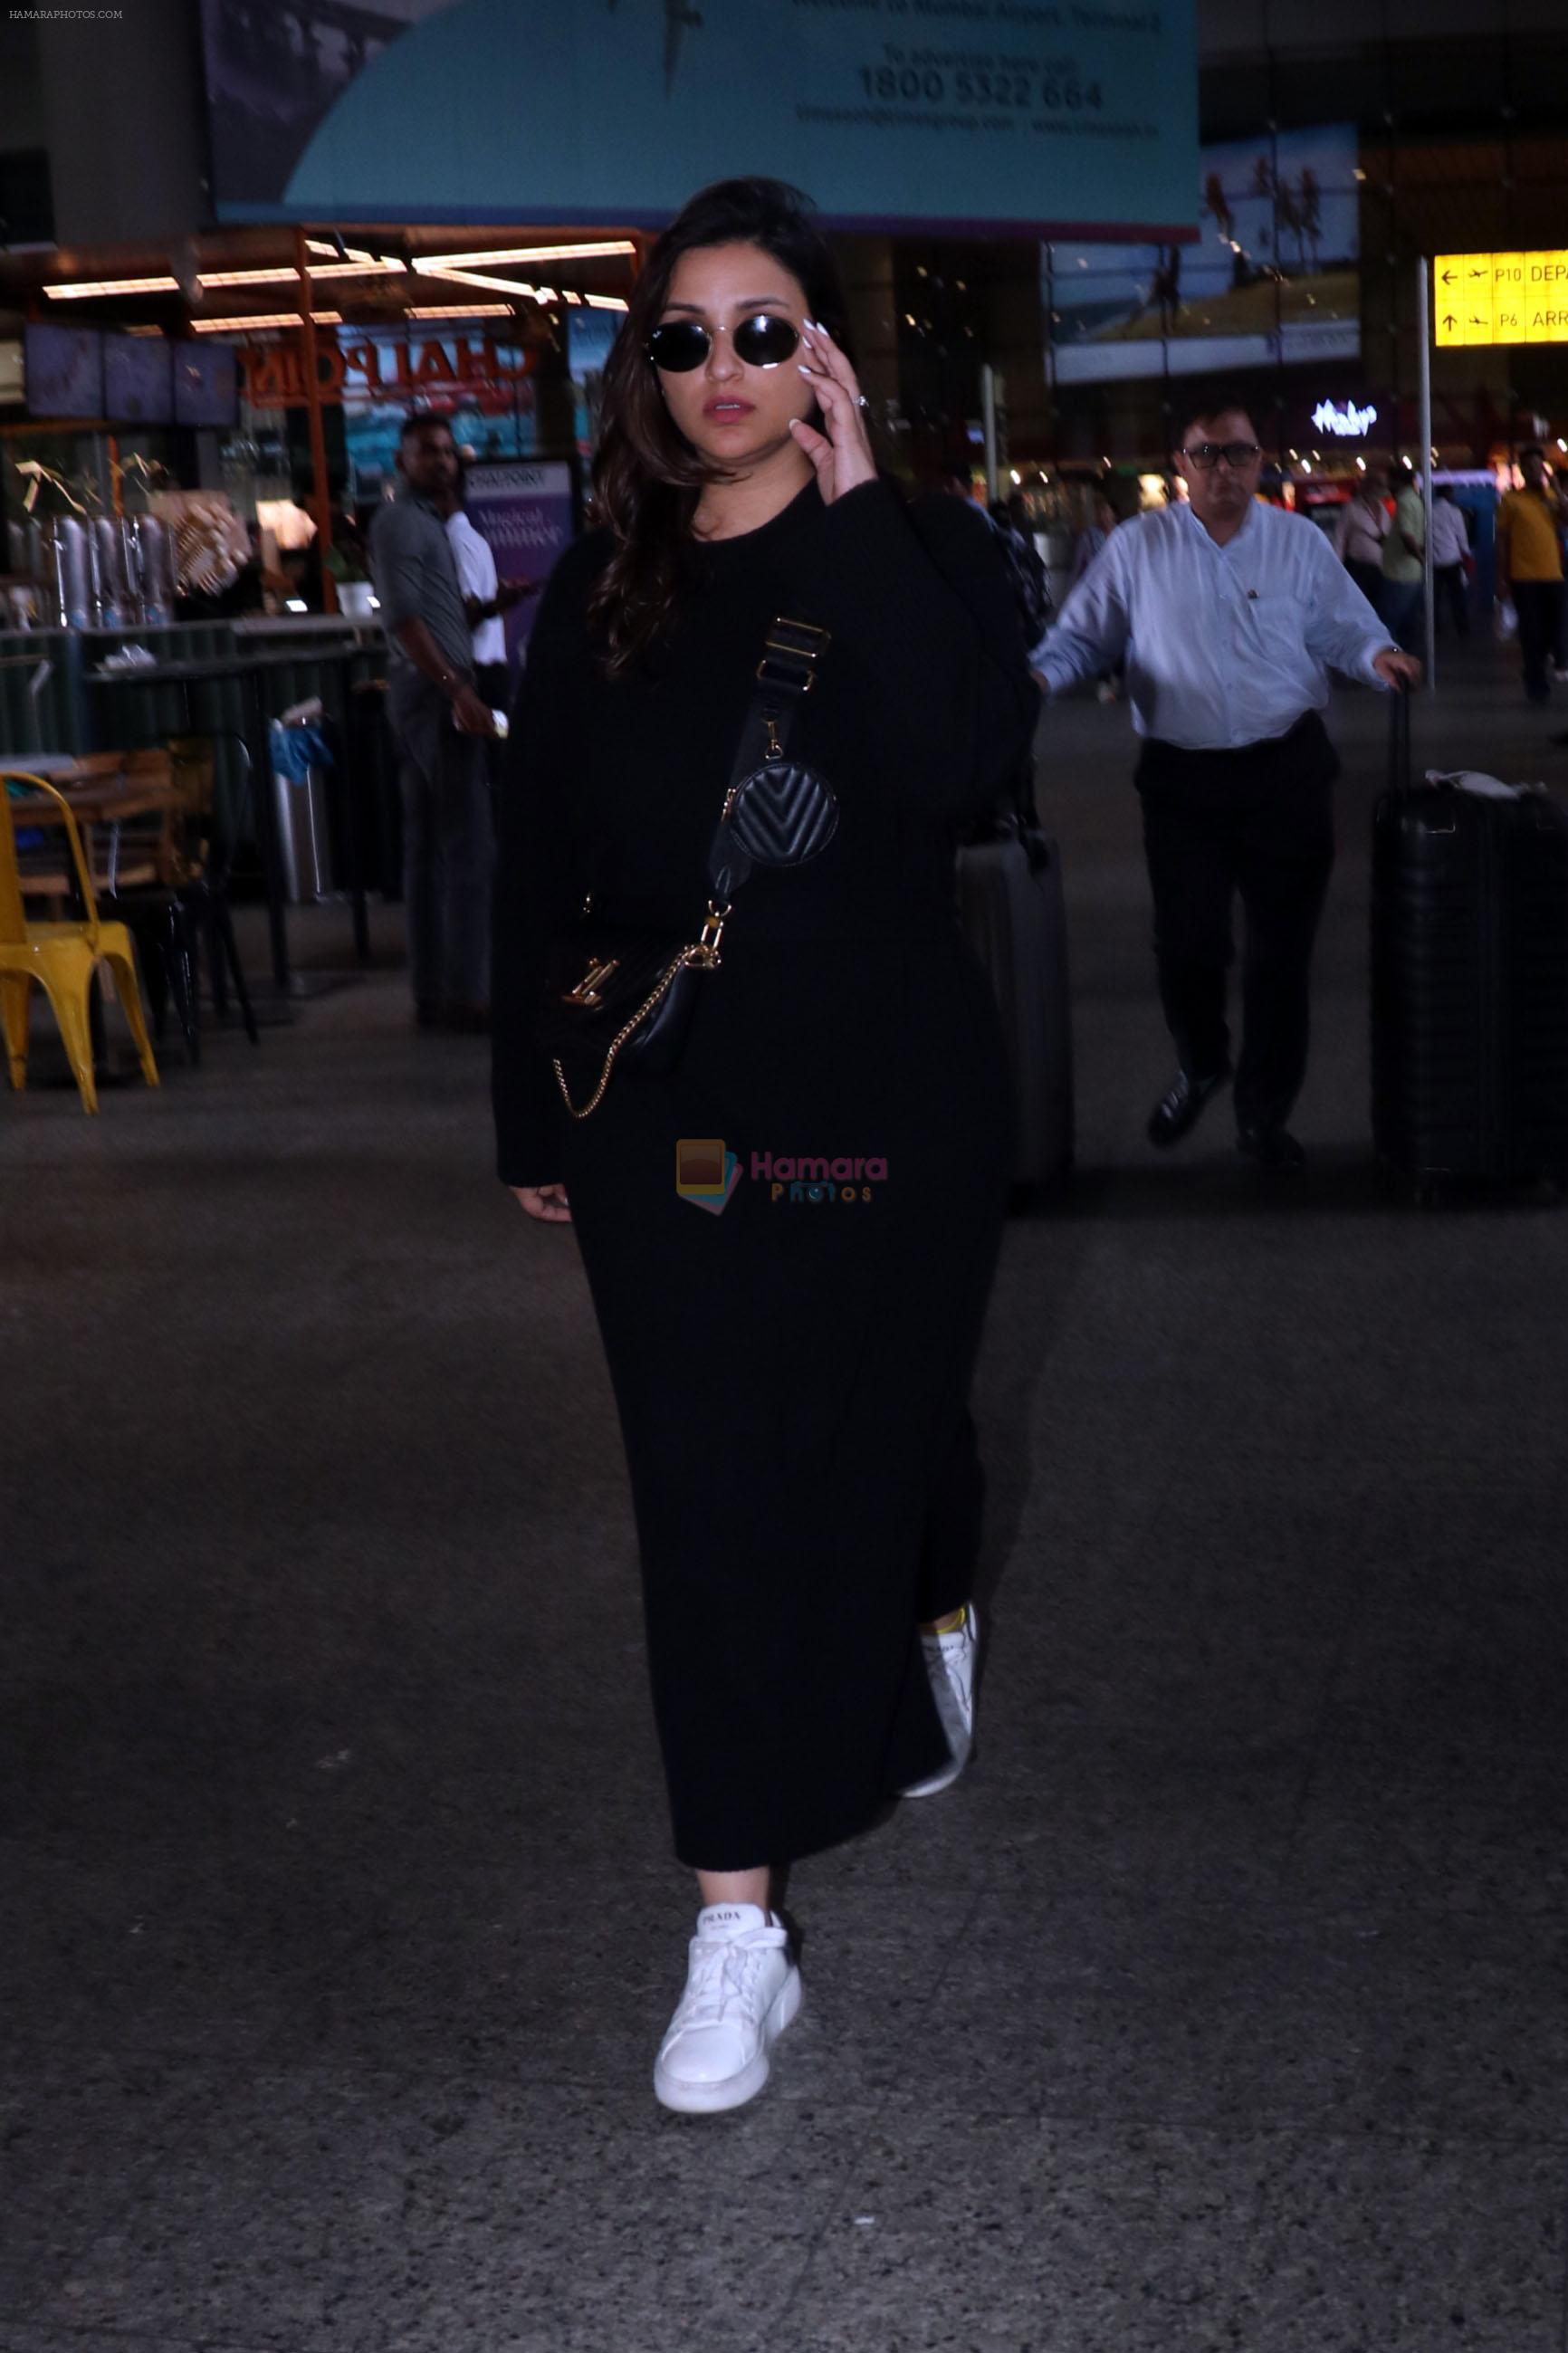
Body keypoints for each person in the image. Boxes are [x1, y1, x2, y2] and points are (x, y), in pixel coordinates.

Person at [492, 177, 1035, 2115]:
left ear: (818, 347)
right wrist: (519, 1108)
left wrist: (865, 496)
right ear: (643, 368)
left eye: (759, 330)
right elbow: (537, 849)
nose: (717, 370)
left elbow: (976, 761)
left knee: (874, 1443)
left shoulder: (919, 548)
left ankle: (919, 1600)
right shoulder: (610, 570)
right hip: (670, 1123)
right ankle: (736, 1927)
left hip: (882, 1114)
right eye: (680, 337)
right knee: (708, 1491)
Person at [1029, 392, 1420, 1172]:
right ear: (1180, 465)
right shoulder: (1141, 546)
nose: (1222, 470)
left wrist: (1378, 658)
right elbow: (1082, 636)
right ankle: (1203, 1057)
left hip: (1287, 771)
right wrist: (1035, 679)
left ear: (1259, 462)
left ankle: (1262, 1114)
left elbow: (1342, 625)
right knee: (1188, 944)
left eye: (1237, 453)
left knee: (1281, 957)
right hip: (1183, 782)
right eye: (1204, 454)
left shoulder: (1298, 542)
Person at [369, 415, 497, 1030]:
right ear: (402, 460)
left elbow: (435, 614)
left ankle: (436, 989)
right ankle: (469, 993)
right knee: (467, 845)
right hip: (433, 695)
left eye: (447, 451)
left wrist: (492, 607)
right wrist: (455, 688)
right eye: (427, 453)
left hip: (430, 689)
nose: (442, 461)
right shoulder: (399, 522)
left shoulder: (428, 525)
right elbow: (404, 619)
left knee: (429, 850)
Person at [444, 477, 535, 719]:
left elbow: (469, 610)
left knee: (478, 753)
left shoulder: (456, 541)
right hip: (490, 673)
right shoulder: (471, 539)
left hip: (477, 676)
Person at [1496, 445, 1566, 703]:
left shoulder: (1551, 497)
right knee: (1531, 632)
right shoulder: (1511, 500)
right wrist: (1501, 579)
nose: (1535, 470)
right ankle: (1536, 681)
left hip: (1553, 575)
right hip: (1523, 577)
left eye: (1539, 466)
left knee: (1557, 628)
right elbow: (1502, 542)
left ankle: (1547, 661)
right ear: (1523, 471)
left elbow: (1566, 519)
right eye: (1530, 467)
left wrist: (1557, 490)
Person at [1379, 464, 1426, 655]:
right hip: (1412, 573)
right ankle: (1409, 661)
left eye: (1390, 481)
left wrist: (1420, 558)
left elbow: (1408, 537)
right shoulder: (1416, 500)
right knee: (1409, 623)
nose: (1388, 485)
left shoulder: (1404, 502)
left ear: (1398, 481)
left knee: (1388, 622)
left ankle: (1395, 665)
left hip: (1399, 572)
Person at [1333, 476, 1389, 610]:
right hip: (1359, 570)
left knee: (1379, 608)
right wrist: (1336, 567)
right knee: (1361, 608)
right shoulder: (1351, 508)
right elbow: (1340, 538)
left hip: (1381, 569)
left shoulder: (1382, 508)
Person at [1429, 485, 1471, 637]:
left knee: (1434, 598)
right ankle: (1462, 629)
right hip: (1452, 559)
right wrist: (1467, 553)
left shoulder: (1429, 511)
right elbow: (1461, 535)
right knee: (1457, 597)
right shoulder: (1454, 512)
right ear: (1447, 494)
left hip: (1433, 561)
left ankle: (1435, 628)